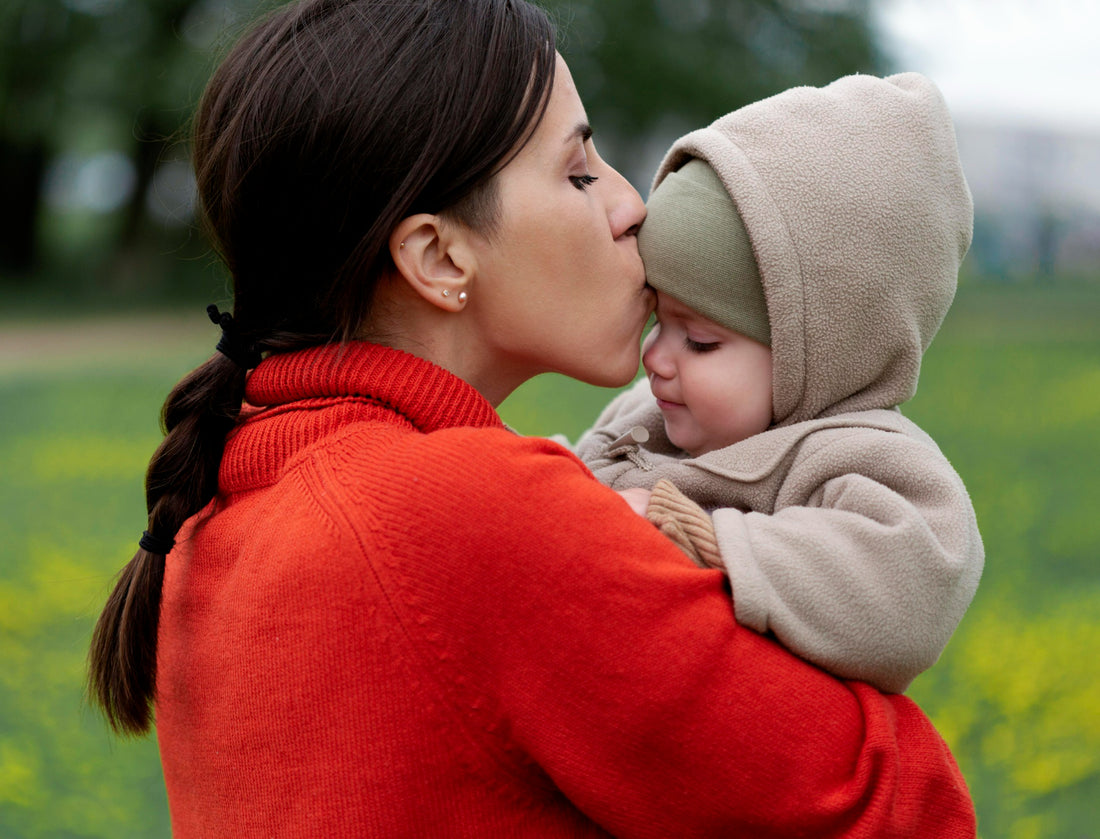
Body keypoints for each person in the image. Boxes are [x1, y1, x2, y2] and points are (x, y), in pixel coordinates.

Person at [87, 2, 977, 836]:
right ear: (438, 255)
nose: (633, 206)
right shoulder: (469, 515)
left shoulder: (216, 510)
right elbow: (910, 806)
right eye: (579, 171)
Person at [575, 73, 985, 695]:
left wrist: (699, 537)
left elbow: (916, 579)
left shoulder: (855, 456)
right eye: (659, 320)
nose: (655, 357)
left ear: (817, 350)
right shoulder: (646, 416)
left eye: (702, 340)